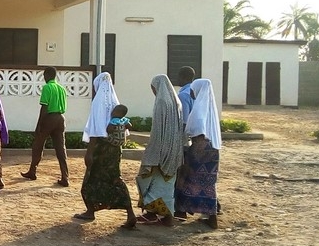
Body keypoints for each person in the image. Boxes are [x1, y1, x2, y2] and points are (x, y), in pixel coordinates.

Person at [74, 73, 137, 228]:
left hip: (101, 149)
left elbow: (96, 130)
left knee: (91, 180)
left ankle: (90, 211)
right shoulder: (115, 102)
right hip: (115, 149)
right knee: (115, 179)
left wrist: (89, 152)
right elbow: (125, 127)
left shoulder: (98, 103)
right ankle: (130, 213)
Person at [135, 74, 184, 227]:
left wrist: (152, 151)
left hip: (161, 150)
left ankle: (153, 214)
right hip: (174, 149)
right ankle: (163, 215)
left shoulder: (161, 102)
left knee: (149, 180)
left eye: (153, 88)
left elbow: (158, 130)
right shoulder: (176, 102)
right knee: (167, 184)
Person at [175, 78, 222, 229]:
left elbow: (197, 131)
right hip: (212, 150)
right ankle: (211, 215)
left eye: (193, 90)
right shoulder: (209, 109)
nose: (191, 92)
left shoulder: (199, 111)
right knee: (208, 183)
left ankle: (182, 210)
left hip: (200, 150)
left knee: (187, 178)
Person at [21, 66, 70, 186]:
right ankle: (65, 177)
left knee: (38, 144)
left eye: (44, 75)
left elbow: (44, 107)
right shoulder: (62, 88)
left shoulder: (47, 87)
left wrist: (39, 125)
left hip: (49, 118)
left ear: (47, 75)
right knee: (60, 148)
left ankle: (32, 171)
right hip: (60, 118)